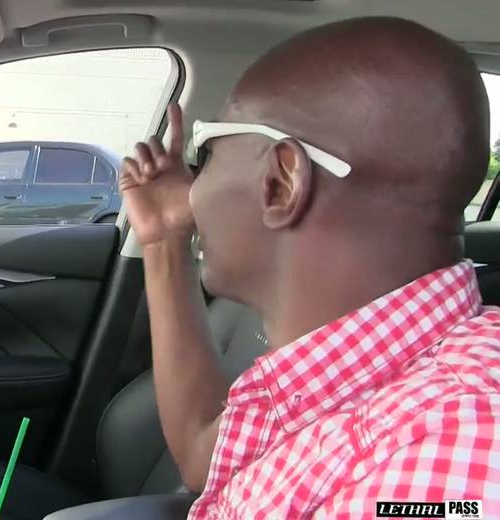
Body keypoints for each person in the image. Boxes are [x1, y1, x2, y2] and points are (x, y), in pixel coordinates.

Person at [121, 17, 500, 518]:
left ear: (280, 183)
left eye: (206, 154)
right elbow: (208, 460)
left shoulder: (453, 453)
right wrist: (164, 240)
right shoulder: (358, 366)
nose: (192, 192)